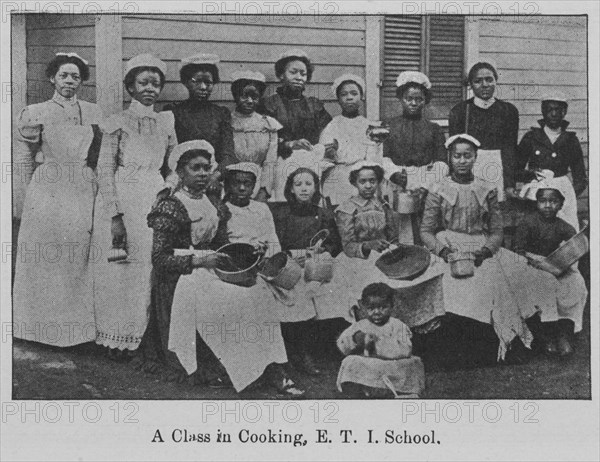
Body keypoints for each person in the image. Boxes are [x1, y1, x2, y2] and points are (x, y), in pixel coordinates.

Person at [167, 162, 306, 395]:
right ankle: (255, 369)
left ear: (254, 186)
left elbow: (273, 241)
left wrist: (266, 253)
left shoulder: (261, 210)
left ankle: (277, 365)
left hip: (262, 267)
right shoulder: (220, 209)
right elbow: (219, 244)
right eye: (236, 183)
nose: (242, 188)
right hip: (233, 268)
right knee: (248, 300)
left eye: (247, 183)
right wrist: (245, 251)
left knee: (271, 295)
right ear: (227, 185)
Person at [420, 134, 549, 362]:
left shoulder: (485, 187)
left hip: (480, 243)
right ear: (449, 158)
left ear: (475, 158)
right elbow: (426, 231)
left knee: (514, 276)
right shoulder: (438, 188)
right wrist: (443, 251)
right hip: (448, 244)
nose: (462, 161)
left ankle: (499, 342)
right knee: (453, 283)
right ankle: (453, 345)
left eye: (467, 156)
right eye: (457, 156)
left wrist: (487, 250)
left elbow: (497, 230)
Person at [13, 52, 103, 346]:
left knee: (75, 253)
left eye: (75, 76)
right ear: (52, 77)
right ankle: (37, 328)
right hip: (48, 186)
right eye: (64, 75)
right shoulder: (35, 112)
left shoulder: (92, 112)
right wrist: (24, 196)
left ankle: (74, 330)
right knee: (46, 253)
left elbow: (98, 154)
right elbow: (24, 156)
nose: (69, 81)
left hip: (80, 184)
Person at [93, 54, 177, 353]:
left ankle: (142, 339)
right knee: (121, 266)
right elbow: (104, 168)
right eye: (143, 82)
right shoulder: (117, 121)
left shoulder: (166, 121)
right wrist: (114, 214)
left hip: (154, 198)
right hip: (124, 195)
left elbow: (174, 164)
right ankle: (114, 338)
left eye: (155, 83)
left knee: (147, 268)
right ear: (130, 87)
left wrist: (167, 188)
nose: (150, 88)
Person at [136, 140, 233, 382]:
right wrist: (198, 262)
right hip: (177, 279)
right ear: (180, 172)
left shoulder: (213, 203)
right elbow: (159, 259)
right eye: (195, 168)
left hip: (209, 268)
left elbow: (221, 243)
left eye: (206, 168)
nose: (202, 174)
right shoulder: (171, 206)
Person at [271, 167, 343, 374]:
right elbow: (275, 243)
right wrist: (291, 254)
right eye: (298, 184)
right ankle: (296, 352)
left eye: (309, 184)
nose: (304, 189)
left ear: (315, 189)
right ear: (291, 189)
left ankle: (318, 349)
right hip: (289, 263)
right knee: (296, 288)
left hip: (316, 264)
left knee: (334, 286)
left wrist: (321, 250)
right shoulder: (281, 214)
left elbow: (334, 244)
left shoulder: (323, 215)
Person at [513, 188, 588, 357]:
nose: (548, 205)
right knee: (545, 284)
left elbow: (575, 244)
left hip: (555, 265)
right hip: (531, 265)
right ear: (537, 203)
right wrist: (535, 262)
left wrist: (580, 240)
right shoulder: (528, 223)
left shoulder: (563, 226)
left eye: (553, 201)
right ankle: (548, 335)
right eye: (543, 201)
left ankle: (564, 333)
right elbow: (517, 250)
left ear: (560, 205)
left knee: (576, 282)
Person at [381, 71, 449, 244]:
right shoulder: (390, 126)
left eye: (418, 99)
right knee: (399, 228)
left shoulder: (434, 129)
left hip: (426, 182)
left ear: (425, 100)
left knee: (425, 228)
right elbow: (382, 155)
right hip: (398, 182)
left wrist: (427, 185)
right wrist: (393, 174)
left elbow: (442, 161)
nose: (413, 103)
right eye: (408, 98)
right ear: (401, 99)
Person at [261, 49, 333, 200]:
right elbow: (263, 141)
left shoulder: (314, 105)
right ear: (281, 75)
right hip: (282, 163)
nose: (299, 77)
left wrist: (323, 149)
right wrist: (289, 144)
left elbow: (329, 133)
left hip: (310, 164)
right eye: (293, 72)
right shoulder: (269, 104)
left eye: (303, 74)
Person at [336, 283, 425, 398]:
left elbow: (406, 348)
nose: (377, 312)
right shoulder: (360, 326)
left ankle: (392, 389)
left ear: (392, 306)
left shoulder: (399, 326)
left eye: (382, 307)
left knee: (413, 363)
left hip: (391, 365)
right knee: (349, 361)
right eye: (371, 308)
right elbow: (342, 343)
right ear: (364, 308)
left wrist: (377, 344)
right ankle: (359, 389)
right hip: (369, 365)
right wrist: (356, 339)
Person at [515, 93, 587, 231]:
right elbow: (515, 170)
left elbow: (581, 179)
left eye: (558, 110)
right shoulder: (531, 137)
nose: (553, 114)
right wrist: (531, 177)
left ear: (564, 112)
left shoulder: (571, 140)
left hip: (562, 196)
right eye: (549, 110)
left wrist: (565, 197)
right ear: (543, 112)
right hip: (535, 197)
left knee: (564, 233)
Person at [448, 62, 519, 203]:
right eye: (478, 81)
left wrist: (510, 183)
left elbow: (510, 150)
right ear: (470, 84)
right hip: (470, 167)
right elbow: (454, 152)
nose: (484, 85)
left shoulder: (508, 110)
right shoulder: (460, 111)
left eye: (489, 79)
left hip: (499, 169)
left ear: (495, 81)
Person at [318, 74, 383, 205]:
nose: (349, 98)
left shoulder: (369, 126)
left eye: (354, 93)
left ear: (361, 97)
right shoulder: (332, 126)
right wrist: (328, 154)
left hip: (363, 179)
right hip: (338, 179)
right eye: (344, 94)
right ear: (338, 99)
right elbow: (323, 161)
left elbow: (374, 158)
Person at [165, 53, 234, 166]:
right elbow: (170, 152)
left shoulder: (221, 113)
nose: (203, 87)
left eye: (208, 83)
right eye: (196, 81)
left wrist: (216, 176)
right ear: (186, 82)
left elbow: (228, 153)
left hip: (213, 176)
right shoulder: (174, 111)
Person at [226, 71, 282, 201]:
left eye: (254, 96)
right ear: (236, 96)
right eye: (244, 96)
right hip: (230, 184)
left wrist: (264, 190)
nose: (250, 101)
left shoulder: (268, 124)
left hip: (258, 183)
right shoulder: (226, 121)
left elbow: (270, 162)